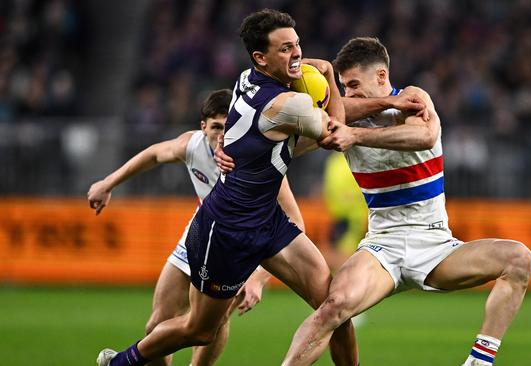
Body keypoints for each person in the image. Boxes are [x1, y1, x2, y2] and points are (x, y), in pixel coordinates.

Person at [95, 9, 363, 366]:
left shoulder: (245, 78)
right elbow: (338, 132)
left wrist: (231, 145)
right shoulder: (288, 105)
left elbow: (260, 130)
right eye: (285, 49)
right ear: (261, 58)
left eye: (297, 45)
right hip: (227, 230)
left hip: (267, 219)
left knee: (336, 307)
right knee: (199, 329)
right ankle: (122, 362)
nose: (297, 53)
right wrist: (326, 74)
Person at [281, 37, 531, 366]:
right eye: (344, 87)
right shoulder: (341, 118)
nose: (350, 94)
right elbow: (288, 148)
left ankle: (478, 362)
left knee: (518, 259)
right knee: (333, 307)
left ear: (382, 77)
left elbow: (424, 136)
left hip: (435, 243)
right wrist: (305, 116)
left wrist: (354, 134)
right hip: (381, 246)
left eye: (355, 84)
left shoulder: (412, 99)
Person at [88, 89, 304, 366]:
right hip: (201, 233)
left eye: (229, 127)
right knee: (156, 327)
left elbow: (296, 222)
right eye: (216, 127)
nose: (222, 135)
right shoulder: (193, 145)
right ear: (203, 127)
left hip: (241, 246)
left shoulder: (256, 160)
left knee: (210, 325)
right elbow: (155, 154)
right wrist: (108, 184)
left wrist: (258, 278)